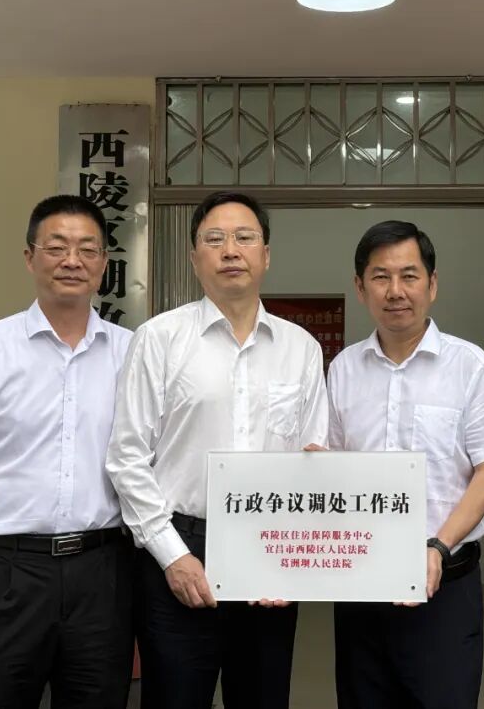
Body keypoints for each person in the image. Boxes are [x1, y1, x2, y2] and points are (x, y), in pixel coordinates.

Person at [106, 190, 328, 709]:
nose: (231, 250)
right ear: (194, 257)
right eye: (215, 239)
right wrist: (173, 556)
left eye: (244, 238)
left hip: (271, 547)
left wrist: (293, 561)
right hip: (180, 548)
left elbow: (314, 458)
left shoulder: (301, 348)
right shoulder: (159, 338)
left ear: (266, 255)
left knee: (263, 697)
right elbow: (127, 456)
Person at [0, 195, 135, 708]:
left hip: (101, 572)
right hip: (3, 572)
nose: (72, 260)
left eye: (87, 249)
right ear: (29, 257)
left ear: (104, 264)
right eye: (56, 247)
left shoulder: (131, 352)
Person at [325, 220, 484, 709]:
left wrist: (438, 545)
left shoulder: (471, 366)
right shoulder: (343, 369)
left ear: (432, 284)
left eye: (409, 276)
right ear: (360, 287)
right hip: (361, 583)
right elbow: (330, 466)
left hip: (445, 586)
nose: (395, 291)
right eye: (381, 277)